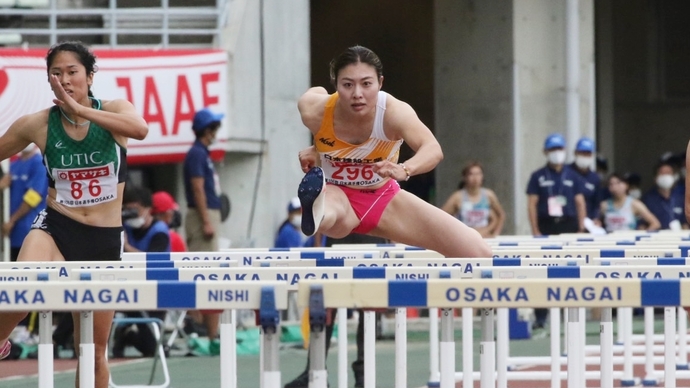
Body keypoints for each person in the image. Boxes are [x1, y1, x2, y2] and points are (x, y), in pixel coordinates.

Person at [290, 45, 492, 388]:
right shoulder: (315, 110)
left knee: (479, 253)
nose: (357, 94)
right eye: (347, 84)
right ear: (335, 85)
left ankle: (320, 206)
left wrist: (404, 168)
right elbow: (312, 95)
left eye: (366, 84)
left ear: (380, 83)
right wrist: (320, 149)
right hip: (341, 196)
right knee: (335, 216)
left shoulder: (394, 112)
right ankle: (315, 207)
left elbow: (433, 149)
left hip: (385, 197)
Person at [0, 41, 148, 388]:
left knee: (93, 351)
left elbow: (140, 130)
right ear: (48, 79)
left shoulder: (115, 110)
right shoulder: (37, 124)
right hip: (56, 226)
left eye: (72, 72)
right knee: (16, 295)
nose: (64, 79)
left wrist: (84, 112)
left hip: (103, 239)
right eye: (56, 73)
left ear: (90, 76)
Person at [526, 133, 586, 329]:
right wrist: (535, 229)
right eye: (552, 149)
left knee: (568, 269)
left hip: (568, 225)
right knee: (541, 271)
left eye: (559, 149)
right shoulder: (538, 176)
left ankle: (569, 315)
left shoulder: (573, 176)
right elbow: (532, 203)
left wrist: (581, 227)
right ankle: (541, 316)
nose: (556, 153)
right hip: (546, 225)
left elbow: (579, 202)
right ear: (545, 152)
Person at [183, 107, 225, 356]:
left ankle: (210, 331)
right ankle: (206, 331)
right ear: (207, 130)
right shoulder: (197, 154)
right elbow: (198, 188)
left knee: (209, 272)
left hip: (207, 214)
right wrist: (206, 220)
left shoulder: (202, 154)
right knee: (205, 273)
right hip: (203, 216)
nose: (217, 132)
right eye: (215, 128)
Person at [113, 185, 170, 358]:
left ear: (147, 209)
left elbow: (153, 259)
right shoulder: (124, 228)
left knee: (151, 349)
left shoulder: (159, 231)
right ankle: (59, 340)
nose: (130, 214)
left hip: (156, 287)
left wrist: (128, 247)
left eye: (134, 210)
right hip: (127, 285)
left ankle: (128, 336)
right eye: (127, 210)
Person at [0, 144, 49, 261]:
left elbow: (34, 196)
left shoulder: (39, 164)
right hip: (12, 233)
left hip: (30, 228)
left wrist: (12, 220)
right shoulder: (13, 165)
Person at [441, 161, 506, 237]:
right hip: (464, 237)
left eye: (478, 174)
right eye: (471, 174)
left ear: (482, 176)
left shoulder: (488, 195)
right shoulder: (458, 197)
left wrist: (495, 233)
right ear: (465, 177)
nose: (475, 178)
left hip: (484, 235)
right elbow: (442, 216)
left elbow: (501, 215)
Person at [642, 161, 687, 230]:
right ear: (656, 178)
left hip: (678, 238)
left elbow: (685, 223)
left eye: (668, 173)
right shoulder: (648, 199)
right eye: (662, 173)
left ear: (674, 177)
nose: (666, 176)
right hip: (656, 238)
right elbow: (642, 225)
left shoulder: (681, 198)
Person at [568, 137, 601, 221]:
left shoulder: (594, 178)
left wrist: (596, 218)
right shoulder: (566, 172)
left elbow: (596, 203)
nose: (585, 156)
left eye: (588, 154)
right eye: (582, 153)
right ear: (575, 153)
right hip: (567, 220)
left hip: (587, 221)